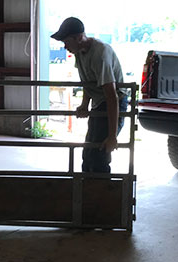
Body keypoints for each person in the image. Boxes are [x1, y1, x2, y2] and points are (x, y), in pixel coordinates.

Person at [51, 17, 129, 173]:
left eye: (66, 41)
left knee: (100, 152)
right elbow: (88, 81)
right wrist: (84, 104)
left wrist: (112, 136)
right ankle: (86, 191)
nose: (65, 46)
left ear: (79, 38)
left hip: (114, 102)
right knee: (88, 152)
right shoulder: (79, 52)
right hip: (99, 102)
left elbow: (111, 95)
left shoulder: (100, 54)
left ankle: (101, 193)